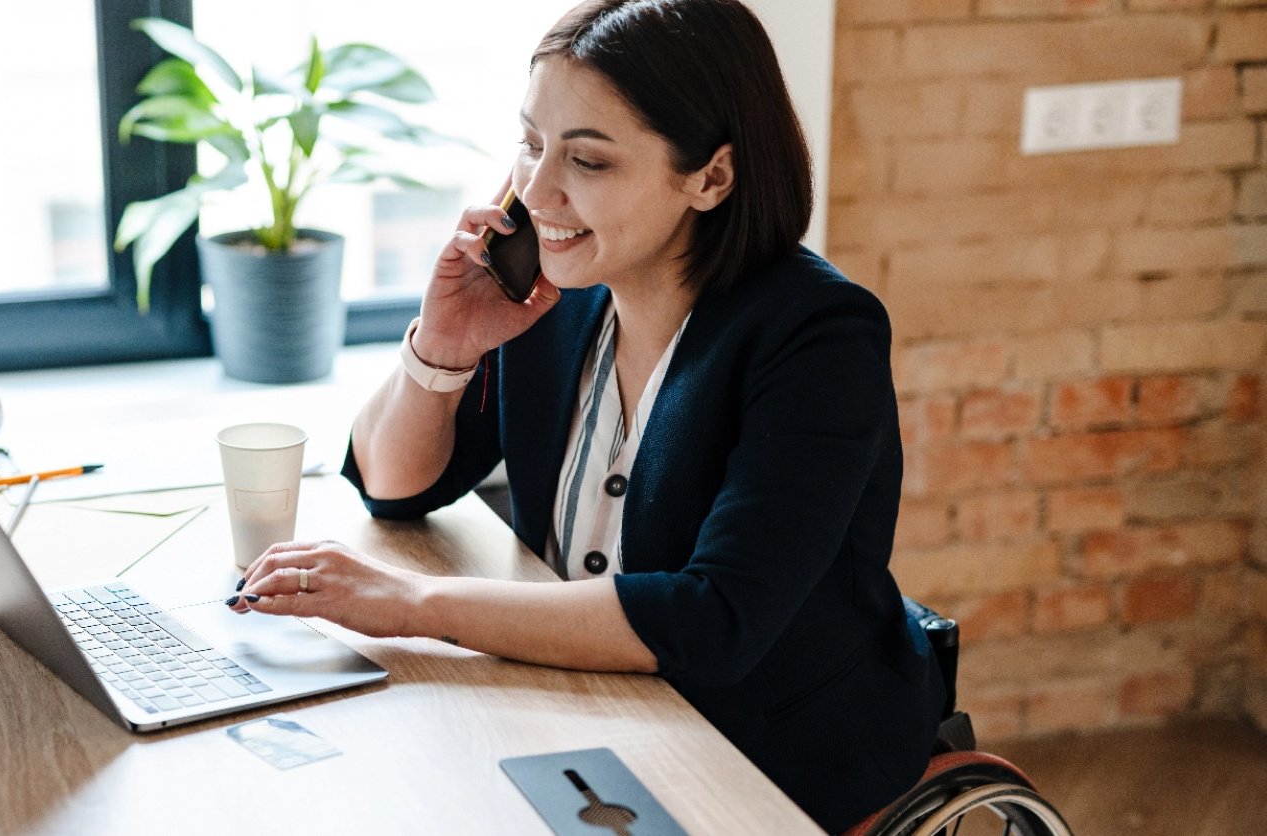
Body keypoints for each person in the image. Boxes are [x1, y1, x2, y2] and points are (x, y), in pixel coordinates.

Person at [226, 0, 946, 830]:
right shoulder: (561, 293)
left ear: (710, 177)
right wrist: (444, 345)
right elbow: (396, 488)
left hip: (765, 743)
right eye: (531, 144)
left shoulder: (818, 338)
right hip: (586, 705)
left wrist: (414, 605)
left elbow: (715, 622)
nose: (535, 192)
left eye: (588, 162)